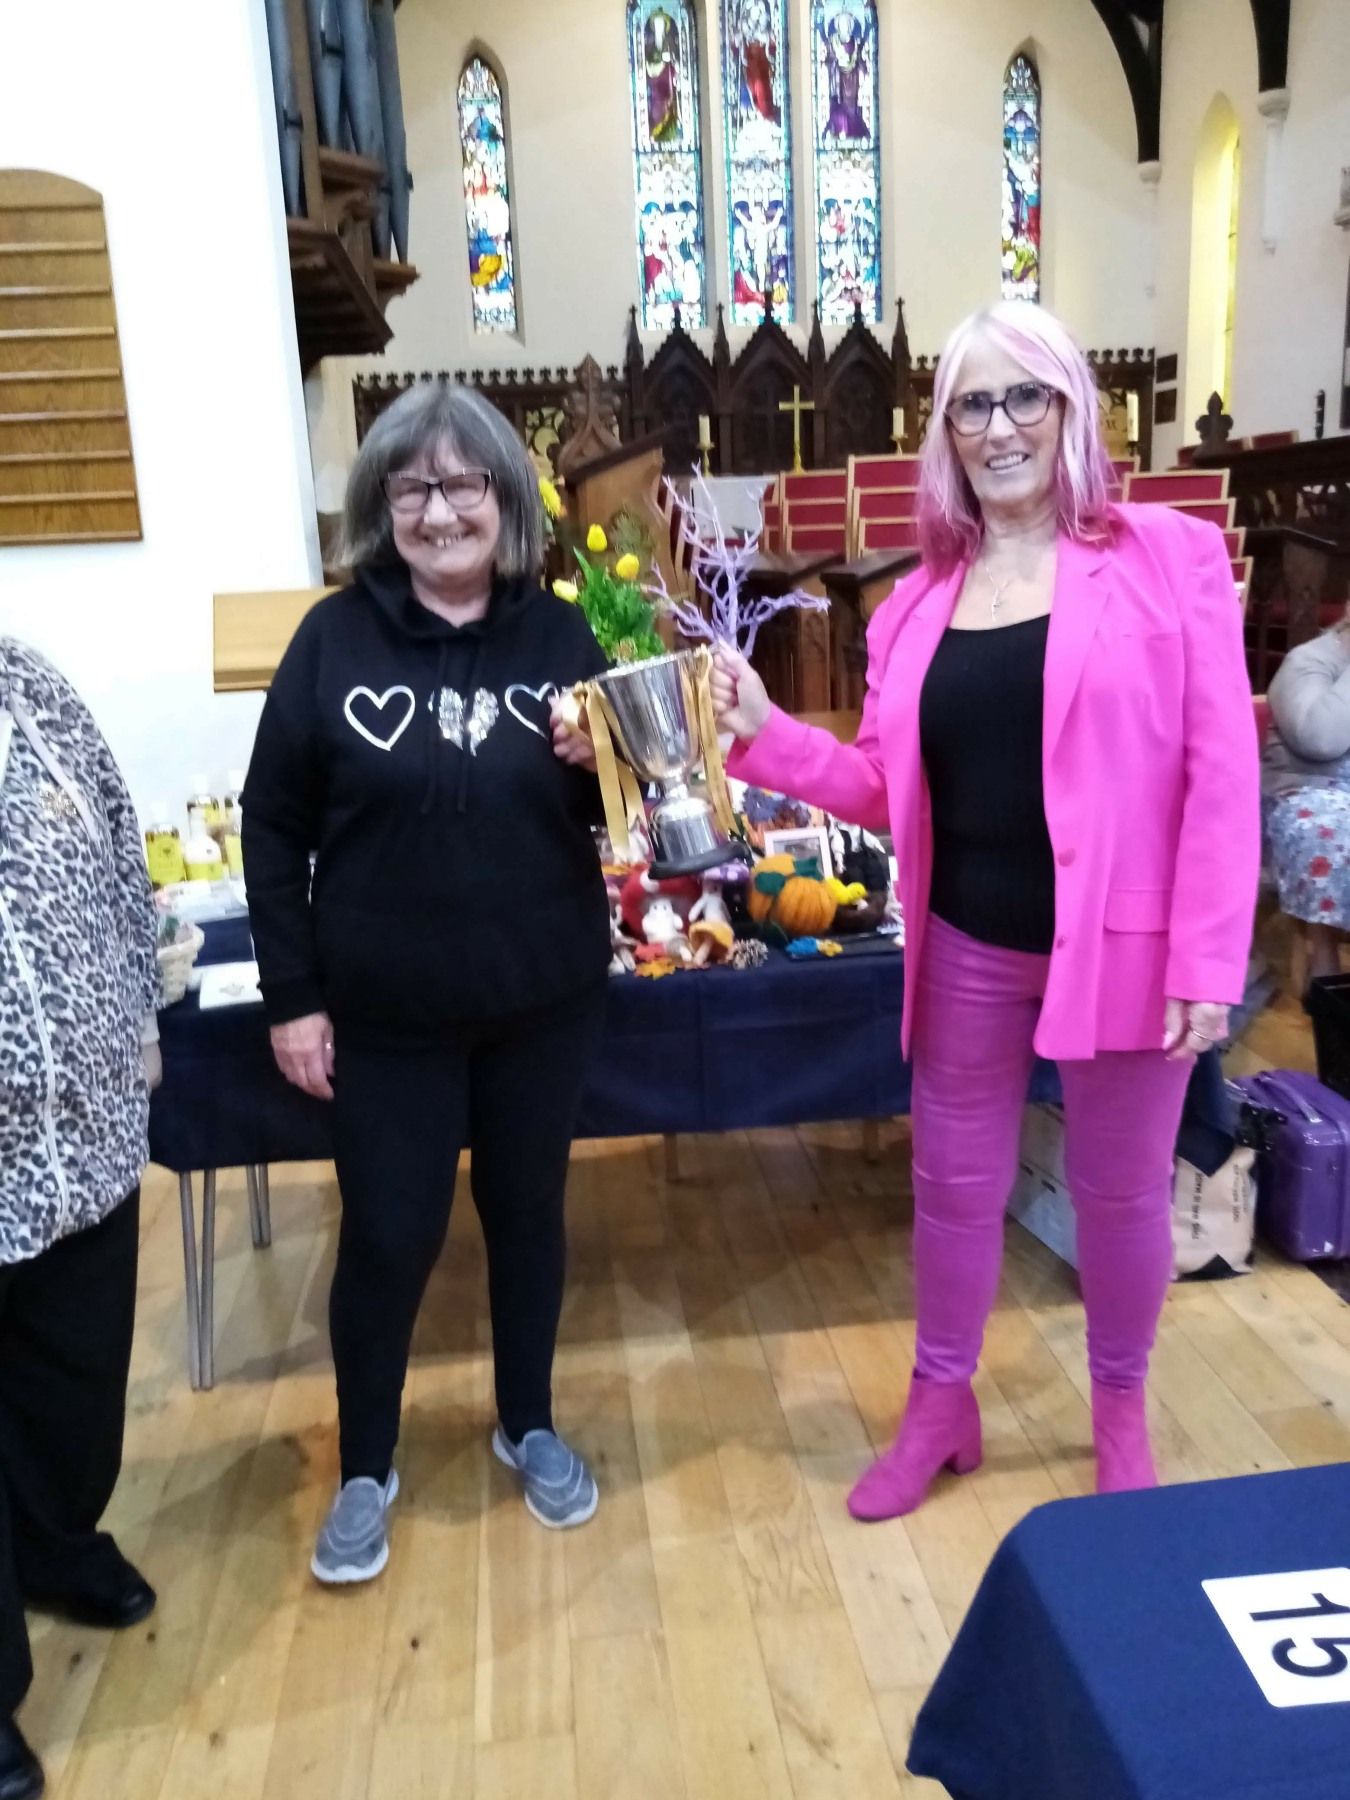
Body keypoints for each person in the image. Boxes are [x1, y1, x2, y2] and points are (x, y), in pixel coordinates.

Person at [710, 302, 1259, 1516]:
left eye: (1026, 397)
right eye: (973, 404)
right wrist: (767, 732)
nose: (1000, 427)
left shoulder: (1167, 559)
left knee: (1120, 1195)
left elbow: (1223, 772)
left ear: (1071, 410)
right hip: (964, 942)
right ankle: (939, 1403)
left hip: (1126, 945)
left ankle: (1119, 1416)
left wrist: (1208, 959)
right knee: (952, 1191)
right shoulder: (913, 605)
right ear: (945, 432)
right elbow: (885, 786)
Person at [243, 383, 612, 1585]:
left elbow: (627, 813)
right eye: (413, 488)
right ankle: (365, 1465)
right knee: (389, 1237)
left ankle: (528, 1422)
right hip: (386, 1019)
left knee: (529, 1219)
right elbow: (272, 824)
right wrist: (292, 996)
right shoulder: (330, 642)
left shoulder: (563, 641)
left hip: (539, 1003)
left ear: (505, 500)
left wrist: (600, 764)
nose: (440, 510)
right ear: (381, 505)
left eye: (463, 484)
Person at [0, 640, 161, 1800]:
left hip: (84, 1135)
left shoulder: (31, 686)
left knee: (72, 1382)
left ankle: (52, 1546)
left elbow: (117, 852)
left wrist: (142, 1018)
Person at [1260, 609, 1350, 992]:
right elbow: (1320, 738)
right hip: (1305, 794)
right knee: (1332, 833)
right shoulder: (1308, 661)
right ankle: (1326, 974)